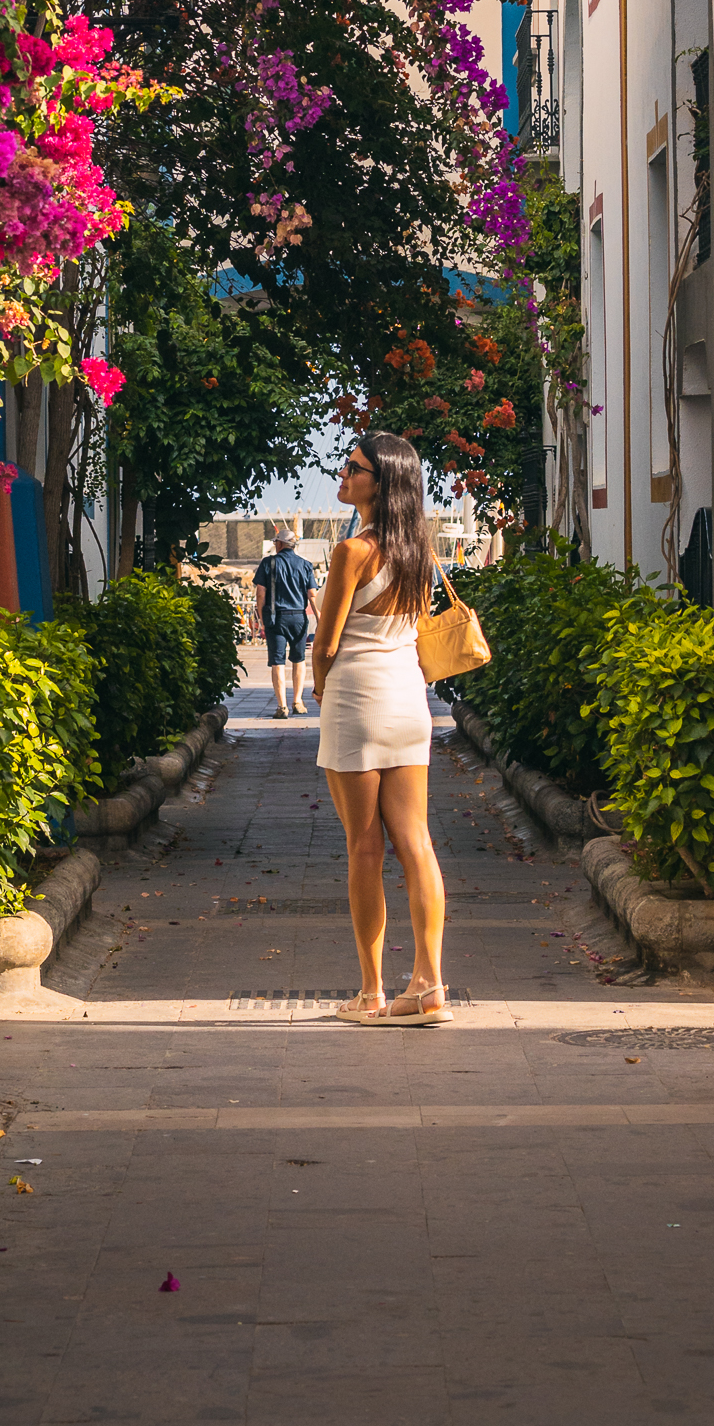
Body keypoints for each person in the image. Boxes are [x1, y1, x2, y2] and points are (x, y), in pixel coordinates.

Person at [313, 432, 450, 1027]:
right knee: (416, 842)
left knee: (365, 848)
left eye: (354, 468)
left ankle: (371, 992)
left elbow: (326, 643)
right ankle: (428, 983)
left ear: (381, 483)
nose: (342, 475)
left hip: (358, 699)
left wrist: (320, 690)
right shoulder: (422, 548)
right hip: (407, 701)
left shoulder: (353, 552)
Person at [253, 523, 318, 719]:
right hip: (299, 617)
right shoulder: (305, 565)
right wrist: (320, 618)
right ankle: (297, 701)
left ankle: (282, 706)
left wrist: (261, 618)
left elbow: (260, 594)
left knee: (277, 662)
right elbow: (312, 595)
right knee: (299, 660)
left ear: (280, 544)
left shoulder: (268, 563)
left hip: (275, 617)